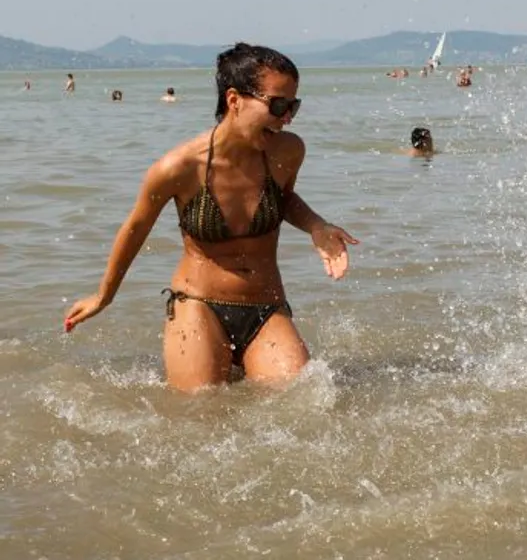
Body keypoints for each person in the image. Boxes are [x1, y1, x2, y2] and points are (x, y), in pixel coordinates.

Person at [64, 44, 360, 392]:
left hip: (266, 307)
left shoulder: (288, 151)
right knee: (200, 412)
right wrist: (104, 296)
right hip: (198, 305)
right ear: (234, 100)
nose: (288, 117)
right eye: (278, 105)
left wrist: (316, 226)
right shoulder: (178, 168)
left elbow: (284, 199)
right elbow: (135, 228)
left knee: (303, 397)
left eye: (293, 106)